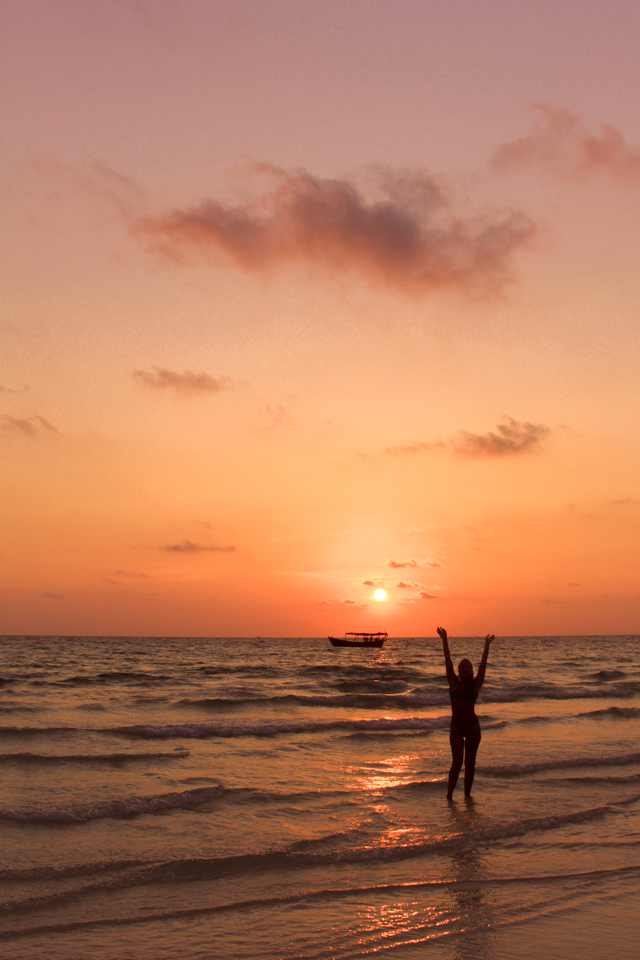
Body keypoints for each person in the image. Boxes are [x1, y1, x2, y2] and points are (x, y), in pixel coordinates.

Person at [437, 626, 494, 800]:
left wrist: (487, 645)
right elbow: (447, 660)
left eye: (467, 666)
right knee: (456, 763)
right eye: (461, 666)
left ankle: (467, 797)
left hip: (472, 728)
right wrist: (444, 640)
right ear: (458, 670)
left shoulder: (476, 684)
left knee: (470, 764)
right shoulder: (452, 682)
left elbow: (483, 665)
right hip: (456, 727)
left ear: (471, 670)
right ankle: (449, 797)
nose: (464, 668)